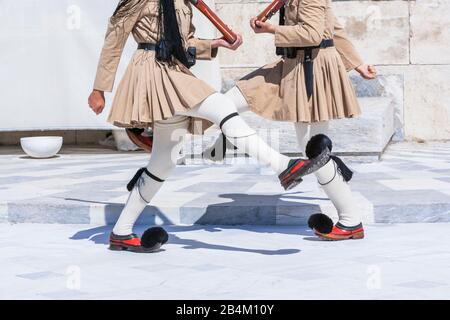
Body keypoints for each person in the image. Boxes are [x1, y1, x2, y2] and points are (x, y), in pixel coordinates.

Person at [88, 0, 329, 252]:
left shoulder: (182, 2)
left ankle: (121, 231)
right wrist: (99, 89)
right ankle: (282, 165)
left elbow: (184, 42)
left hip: (174, 69)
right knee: (223, 107)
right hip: (151, 71)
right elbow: (114, 40)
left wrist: (216, 44)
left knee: (163, 161)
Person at [202, 0, 377, 240]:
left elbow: (315, 33)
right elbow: (333, 27)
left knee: (314, 152)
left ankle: (351, 220)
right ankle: (229, 135)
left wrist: (271, 30)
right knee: (226, 102)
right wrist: (359, 64)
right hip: (291, 65)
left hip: (310, 71)